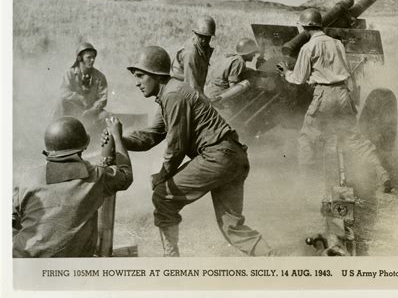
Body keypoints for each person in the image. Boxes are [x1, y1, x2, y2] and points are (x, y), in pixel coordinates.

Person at [114, 45, 276, 257]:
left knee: (163, 196)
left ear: (155, 75)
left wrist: (163, 175)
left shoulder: (173, 94)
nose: (137, 82)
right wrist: (120, 139)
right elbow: (152, 136)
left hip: (217, 156)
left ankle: (171, 262)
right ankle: (273, 259)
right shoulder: (171, 94)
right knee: (232, 227)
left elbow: (176, 145)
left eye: (140, 76)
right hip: (233, 157)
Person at [277, 8, 391, 192]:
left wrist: (286, 73)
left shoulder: (308, 47)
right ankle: (382, 174)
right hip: (342, 93)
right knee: (355, 139)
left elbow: (298, 79)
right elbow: (340, 69)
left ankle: (303, 185)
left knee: (307, 138)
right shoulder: (337, 43)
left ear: (305, 28)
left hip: (323, 95)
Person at [12, 116, 133, 257]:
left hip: (23, 260)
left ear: (48, 148)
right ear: (86, 144)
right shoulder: (96, 176)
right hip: (72, 265)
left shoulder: (28, 177)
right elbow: (126, 175)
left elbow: (12, 218)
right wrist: (117, 137)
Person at [54, 42, 109, 129]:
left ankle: (97, 139)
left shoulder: (100, 77)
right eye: (89, 57)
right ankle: (57, 133)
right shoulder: (70, 74)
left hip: (92, 111)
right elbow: (63, 92)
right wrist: (80, 98)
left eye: (93, 57)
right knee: (60, 103)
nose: (92, 60)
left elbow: (103, 99)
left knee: (105, 116)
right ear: (80, 58)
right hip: (74, 110)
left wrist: (92, 110)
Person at [204, 38, 259, 120]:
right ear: (246, 54)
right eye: (252, 53)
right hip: (218, 96)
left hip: (207, 90)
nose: (254, 55)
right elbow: (233, 86)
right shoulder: (239, 62)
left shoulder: (230, 57)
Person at [170, 15, 216, 95]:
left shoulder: (204, 48)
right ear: (195, 33)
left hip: (189, 87)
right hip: (178, 90)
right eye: (201, 36)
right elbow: (191, 85)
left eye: (207, 37)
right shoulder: (190, 53)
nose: (204, 40)